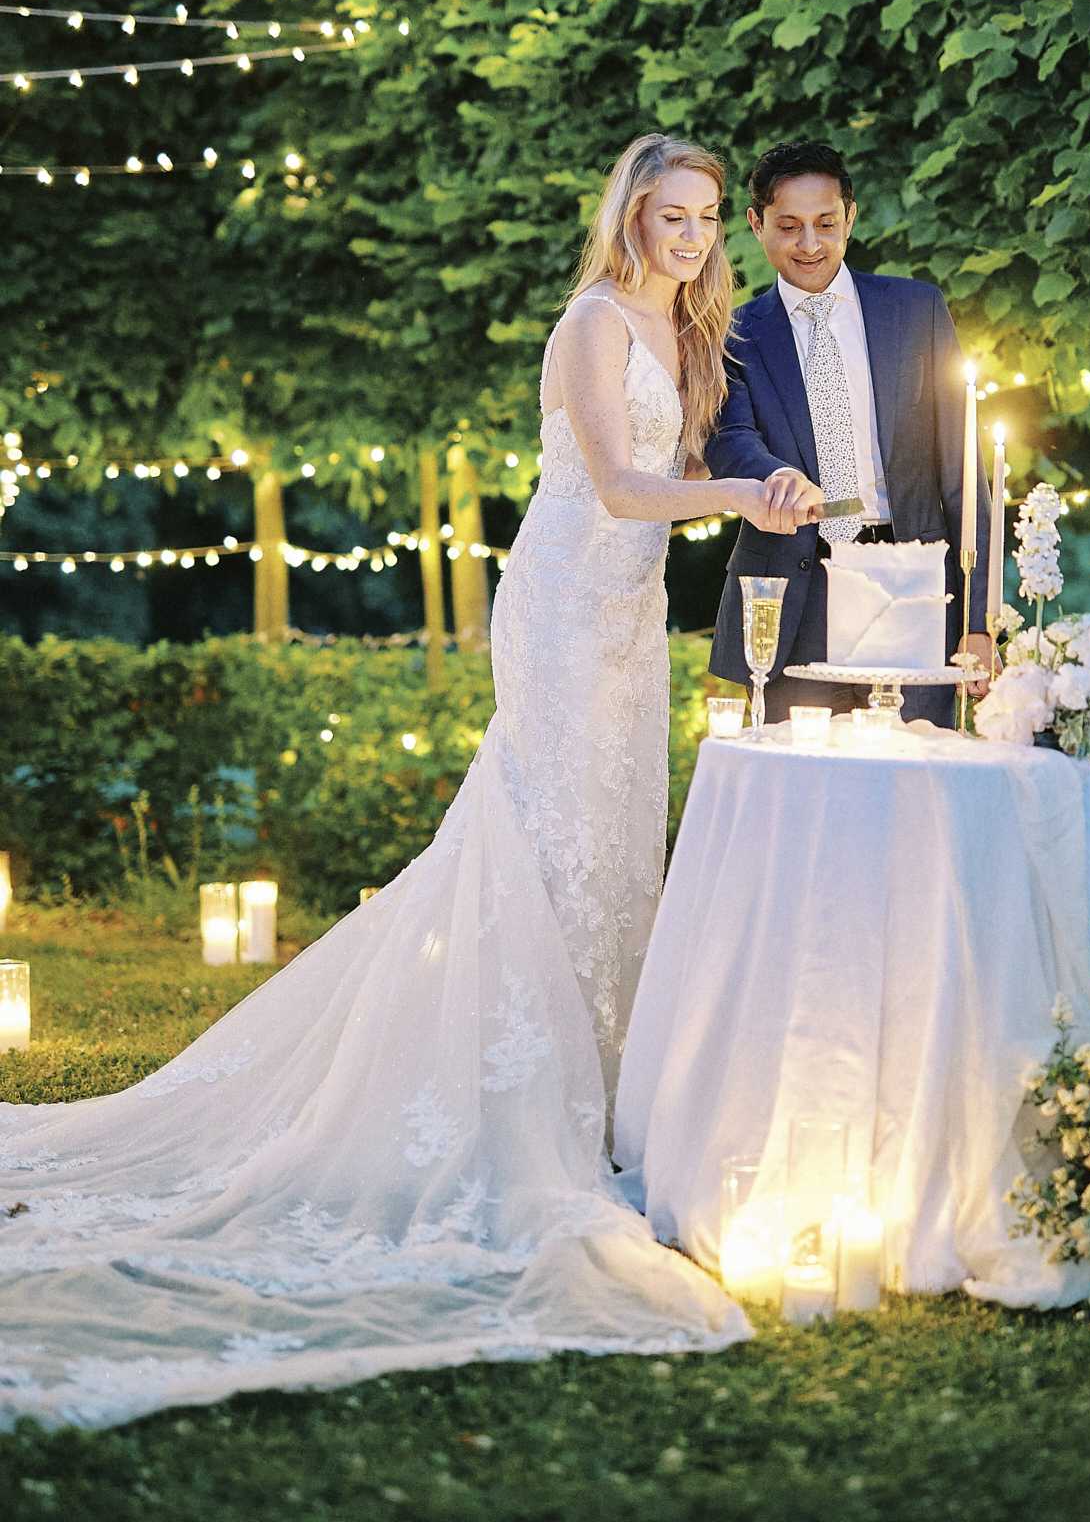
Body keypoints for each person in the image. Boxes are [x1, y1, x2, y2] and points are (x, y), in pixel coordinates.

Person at [0, 133, 792, 1433]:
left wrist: (756, 481)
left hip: (630, 622)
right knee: (542, 844)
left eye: (706, 218)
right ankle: (515, 1112)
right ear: (629, 218)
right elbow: (613, 482)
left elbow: (678, 479)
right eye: (669, 215)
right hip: (556, 607)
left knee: (610, 848)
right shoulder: (594, 322)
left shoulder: (695, 335)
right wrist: (742, 495)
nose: (690, 237)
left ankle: (595, 1097)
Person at [705, 139, 992, 728]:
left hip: (912, 585)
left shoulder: (917, 311)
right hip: (795, 593)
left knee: (914, 787)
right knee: (807, 799)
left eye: (825, 223)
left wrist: (979, 619)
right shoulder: (732, 333)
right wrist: (776, 476)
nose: (809, 244)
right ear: (756, 225)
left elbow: (965, 476)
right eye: (788, 226)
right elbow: (729, 437)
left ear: (850, 217)